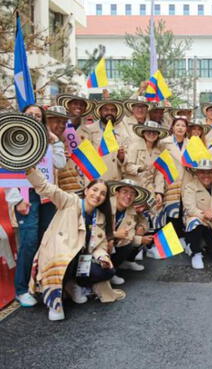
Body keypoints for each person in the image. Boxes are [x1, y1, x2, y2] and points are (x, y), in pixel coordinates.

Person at [25, 166, 123, 321]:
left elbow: (99, 246)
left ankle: (72, 284)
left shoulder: (100, 217)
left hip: (81, 259)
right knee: (64, 259)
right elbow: (44, 187)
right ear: (86, 191)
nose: (97, 195)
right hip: (58, 254)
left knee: (108, 271)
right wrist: (30, 170)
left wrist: (103, 257)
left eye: (102, 194)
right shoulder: (69, 201)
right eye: (95, 190)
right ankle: (54, 304)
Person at [7, 106, 67, 307]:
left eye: (38, 116)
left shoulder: (47, 143)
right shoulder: (12, 140)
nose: (34, 117)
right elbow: (5, 174)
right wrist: (17, 199)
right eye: (30, 114)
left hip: (47, 196)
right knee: (29, 241)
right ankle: (21, 289)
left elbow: (60, 163)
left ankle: (40, 284)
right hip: (26, 196)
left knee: (46, 241)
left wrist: (55, 141)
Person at [123, 120, 168, 230]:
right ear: (143, 132)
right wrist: (140, 168)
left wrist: (159, 192)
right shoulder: (134, 146)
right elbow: (127, 167)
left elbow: (159, 173)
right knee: (133, 215)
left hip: (150, 188)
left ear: (158, 135)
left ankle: (157, 243)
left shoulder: (159, 151)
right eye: (148, 131)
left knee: (158, 211)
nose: (151, 134)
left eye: (154, 132)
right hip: (135, 188)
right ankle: (135, 242)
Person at [107, 179, 151, 284]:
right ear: (116, 193)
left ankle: (112, 271)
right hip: (98, 245)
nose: (128, 196)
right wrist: (113, 234)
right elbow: (94, 232)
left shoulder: (131, 210)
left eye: (132, 193)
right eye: (125, 192)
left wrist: (141, 230)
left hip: (116, 244)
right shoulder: (105, 206)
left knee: (130, 243)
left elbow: (142, 222)